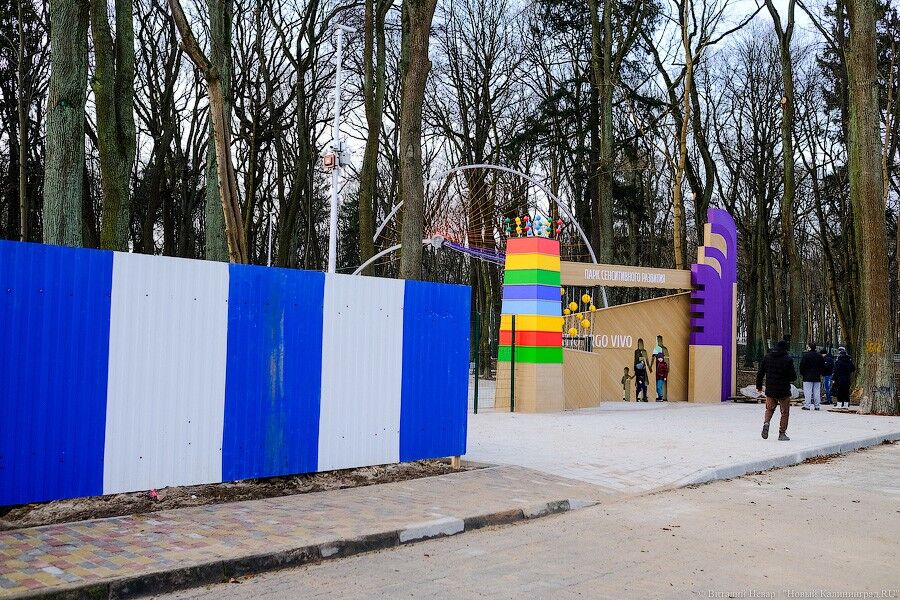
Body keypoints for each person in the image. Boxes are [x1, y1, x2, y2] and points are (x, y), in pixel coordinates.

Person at [756, 339, 797, 441]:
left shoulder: (767, 357)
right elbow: (793, 376)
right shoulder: (788, 359)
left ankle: (766, 423)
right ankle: (782, 433)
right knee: (784, 412)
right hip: (783, 390)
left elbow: (760, 373)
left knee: (769, 409)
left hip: (771, 389)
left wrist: (759, 386)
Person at [799, 342, 825, 410]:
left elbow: (802, 366)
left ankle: (807, 405)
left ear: (809, 348)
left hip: (807, 376)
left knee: (808, 391)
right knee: (816, 391)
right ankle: (817, 406)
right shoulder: (819, 356)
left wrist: (802, 373)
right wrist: (821, 373)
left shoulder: (806, 356)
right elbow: (823, 366)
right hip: (817, 376)